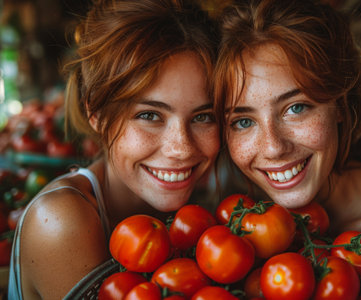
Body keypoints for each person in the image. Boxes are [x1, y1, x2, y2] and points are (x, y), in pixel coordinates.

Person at [213, 0, 361, 298]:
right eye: (243, 121)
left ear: (339, 103)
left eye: (296, 108)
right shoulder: (250, 209)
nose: (273, 148)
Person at [8, 0, 220, 299]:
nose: (181, 148)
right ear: (95, 112)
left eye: (203, 117)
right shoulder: (60, 219)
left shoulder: (204, 204)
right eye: (149, 115)